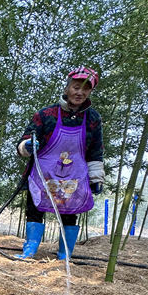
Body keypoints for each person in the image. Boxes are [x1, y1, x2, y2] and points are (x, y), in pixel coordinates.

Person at [15, 66, 105, 260]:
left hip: (73, 176)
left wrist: (97, 178)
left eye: (85, 89)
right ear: (67, 88)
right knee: (35, 209)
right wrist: (28, 145)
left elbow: (96, 151)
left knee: (70, 213)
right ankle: (30, 249)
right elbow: (23, 142)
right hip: (43, 174)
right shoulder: (46, 114)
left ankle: (65, 254)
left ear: (90, 92)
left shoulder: (93, 119)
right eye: (75, 87)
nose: (79, 92)